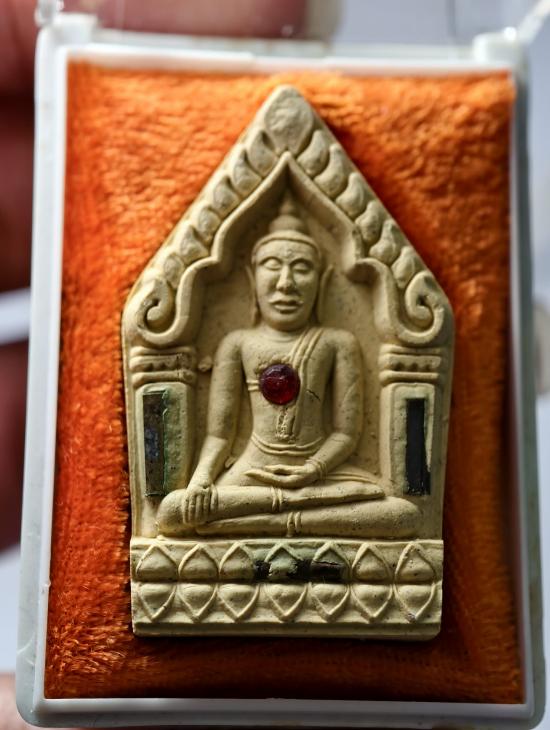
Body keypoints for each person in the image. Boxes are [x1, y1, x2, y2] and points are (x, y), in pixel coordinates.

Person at [158, 197, 420, 538]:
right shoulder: (237, 343)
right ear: (252, 278)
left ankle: (273, 520)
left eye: (301, 268)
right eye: (272, 265)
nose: (285, 282)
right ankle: (294, 517)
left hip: (323, 476)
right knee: (173, 511)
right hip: (252, 473)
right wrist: (201, 481)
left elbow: (346, 433)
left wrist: (312, 470)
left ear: (322, 281)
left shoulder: (338, 342)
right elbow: (219, 435)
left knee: (402, 514)